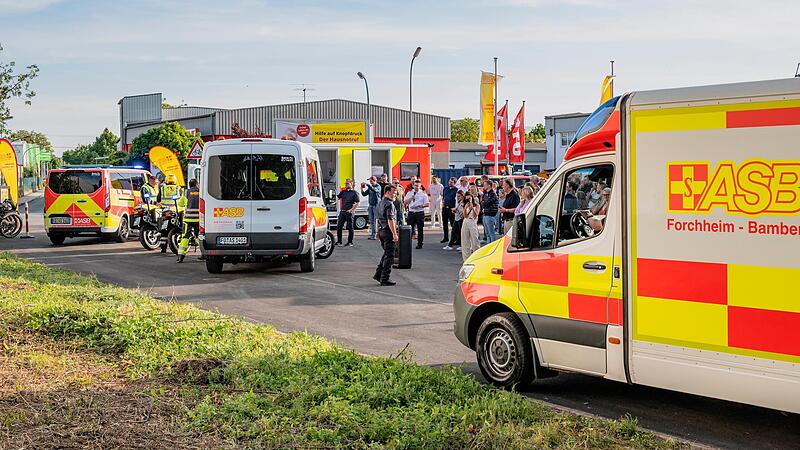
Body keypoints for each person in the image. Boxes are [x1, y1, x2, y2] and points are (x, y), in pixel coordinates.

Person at [373, 185, 399, 286]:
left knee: (386, 254)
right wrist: (394, 234)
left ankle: (378, 274)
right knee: (389, 256)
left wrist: (376, 232)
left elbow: (377, 219)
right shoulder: (389, 204)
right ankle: (385, 278)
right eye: (394, 192)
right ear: (387, 192)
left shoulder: (380, 203)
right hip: (388, 232)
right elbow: (390, 220)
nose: (395, 194)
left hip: (381, 231)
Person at [176, 179, 200, 263]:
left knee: (185, 237)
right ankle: (203, 254)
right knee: (199, 236)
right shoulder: (200, 192)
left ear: (189, 185)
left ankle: (181, 256)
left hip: (187, 219)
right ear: (197, 184)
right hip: (198, 219)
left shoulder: (186, 192)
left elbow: (180, 204)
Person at [403, 179, 428, 249]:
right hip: (411, 213)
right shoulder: (410, 193)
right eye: (415, 185)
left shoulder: (423, 194)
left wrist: (420, 206)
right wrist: (411, 198)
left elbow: (427, 204)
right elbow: (405, 202)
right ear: (413, 186)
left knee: (420, 229)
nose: (416, 187)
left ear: (420, 186)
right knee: (409, 229)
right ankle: (408, 244)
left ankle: (420, 244)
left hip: (419, 213)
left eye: (418, 186)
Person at [336, 180, 360, 247]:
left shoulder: (355, 193)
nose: (346, 184)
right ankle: (339, 241)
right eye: (345, 183)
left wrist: (351, 210)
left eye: (347, 183)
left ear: (351, 184)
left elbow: (357, 203)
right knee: (339, 226)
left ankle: (350, 242)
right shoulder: (343, 192)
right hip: (342, 211)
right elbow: (337, 197)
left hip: (349, 212)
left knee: (350, 227)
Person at [460, 191, 481, 261]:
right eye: (467, 197)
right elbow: (465, 216)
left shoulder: (477, 205)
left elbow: (476, 215)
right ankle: (466, 259)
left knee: (475, 240)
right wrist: (465, 208)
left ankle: (476, 258)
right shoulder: (465, 204)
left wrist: (472, 207)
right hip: (466, 221)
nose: (468, 199)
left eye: (469, 197)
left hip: (473, 221)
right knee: (465, 241)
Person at [361, 176, 382, 240]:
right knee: (372, 221)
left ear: (374, 180)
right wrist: (361, 188)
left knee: (376, 221)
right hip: (370, 205)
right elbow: (364, 194)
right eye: (369, 180)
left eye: (371, 180)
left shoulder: (378, 186)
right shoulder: (370, 187)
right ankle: (373, 235)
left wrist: (368, 185)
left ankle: (376, 235)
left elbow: (375, 190)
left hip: (376, 205)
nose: (370, 181)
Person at [441, 177, 458, 244]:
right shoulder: (445, 189)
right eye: (449, 182)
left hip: (451, 209)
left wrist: (454, 208)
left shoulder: (456, 190)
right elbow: (444, 197)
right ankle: (445, 238)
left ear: (454, 183)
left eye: (451, 182)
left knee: (453, 224)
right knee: (444, 224)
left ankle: (455, 238)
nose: (449, 183)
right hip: (445, 208)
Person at [480, 180, 498, 244]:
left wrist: (483, 202)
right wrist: (483, 202)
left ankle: (493, 246)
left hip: (490, 215)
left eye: (485, 185)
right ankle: (489, 246)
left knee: (491, 233)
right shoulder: (485, 194)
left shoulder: (493, 194)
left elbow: (486, 203)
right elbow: (483, 203)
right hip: (485, 214)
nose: (483, 186)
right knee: (487, 233)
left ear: (489, 185)